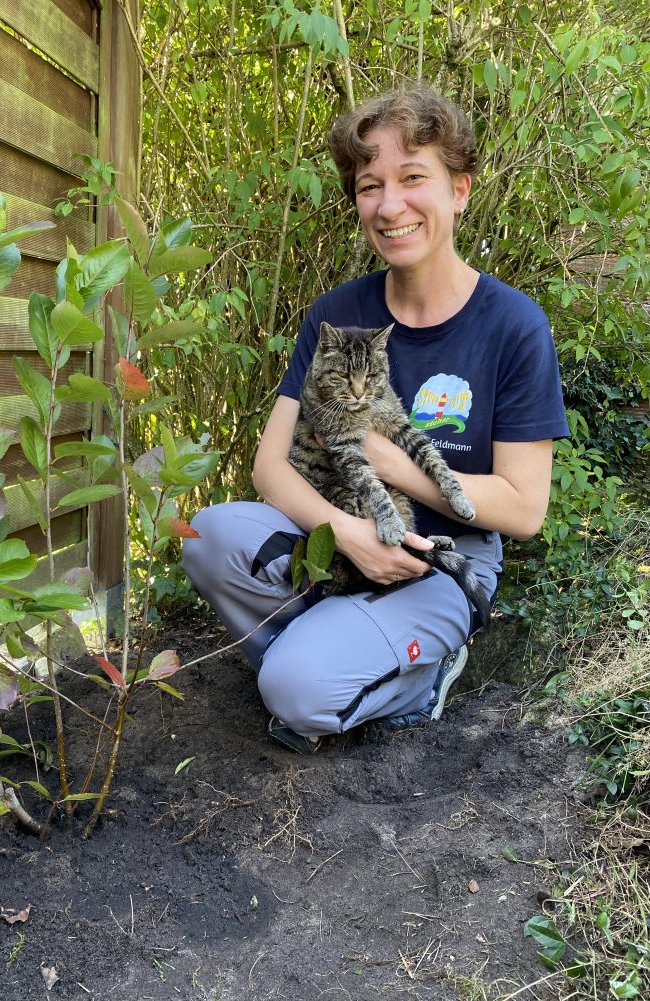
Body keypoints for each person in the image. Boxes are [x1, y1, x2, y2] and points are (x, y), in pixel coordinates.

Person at [183, 83, 569, 754]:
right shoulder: (336, 316)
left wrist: (390, 462)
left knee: (295, 691)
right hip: (339, 526)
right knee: (208, 535)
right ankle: (333, 650)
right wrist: (352, 535)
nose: (390, 206)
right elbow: (269, 467)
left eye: (413, 178)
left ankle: (412, 675)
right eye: (370, 186)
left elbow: (524, 508)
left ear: (459, 190)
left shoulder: (513, 326)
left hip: (440, 561)